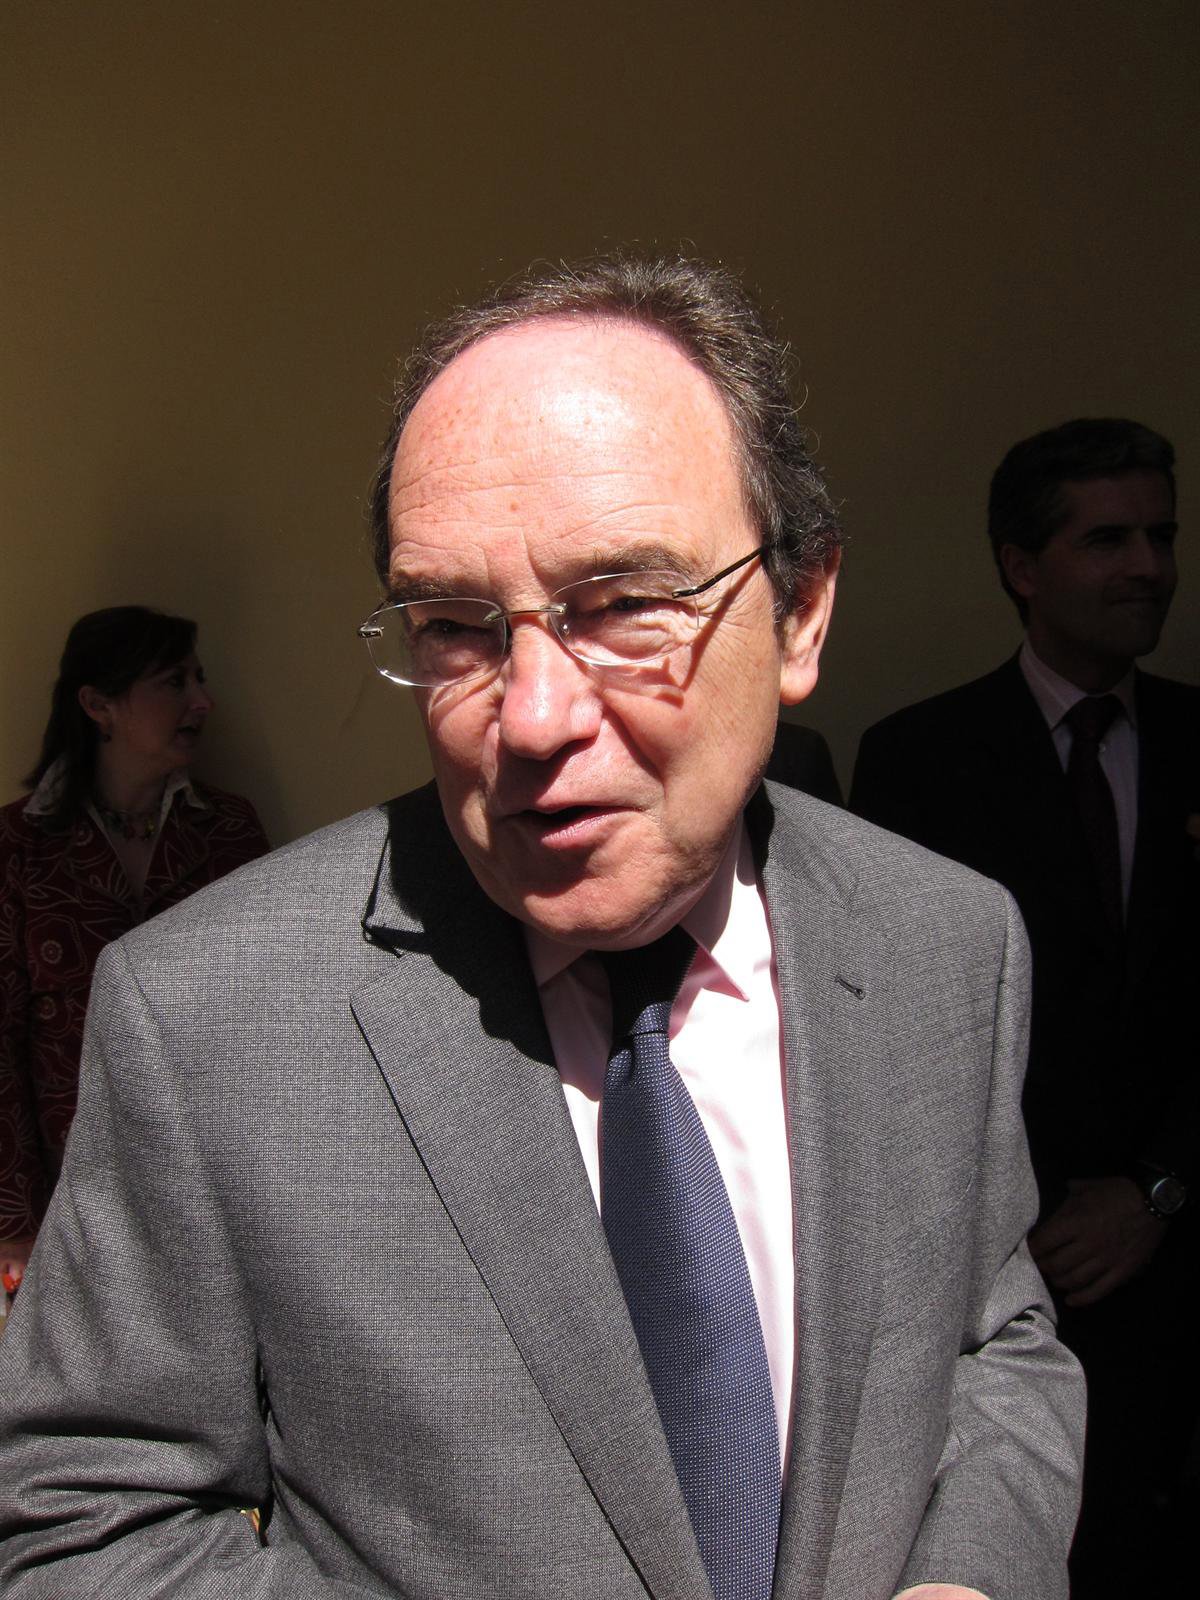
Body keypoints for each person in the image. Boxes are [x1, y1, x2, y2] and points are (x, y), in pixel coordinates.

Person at [0, 257, 1082, 1600]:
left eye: (625, 605)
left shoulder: (948, 943)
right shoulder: (207, 1016)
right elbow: (84, 1521)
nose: (531, 717)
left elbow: (993, 1336)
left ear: (801, 613)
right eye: (456, 627)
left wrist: (971, 1578)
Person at [850, 418, 1197, 1596]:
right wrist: (1007, 1239)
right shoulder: (917, 759)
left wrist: (1159, 1190)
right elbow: (897, 1034)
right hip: (1001, 1276)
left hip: (1183, 1270)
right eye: (1108, 540)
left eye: (1160, 535)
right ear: (1021, 566)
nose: (1148, 566)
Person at [0, 606, 269, 1295]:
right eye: (174, 682)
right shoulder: (17, 847)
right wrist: (15, 1222)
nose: (202, 701)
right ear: (99, 705)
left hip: (214, 1181)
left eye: (199, 679)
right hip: (69, 1195)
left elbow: (263, 1015)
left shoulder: (229, 830)